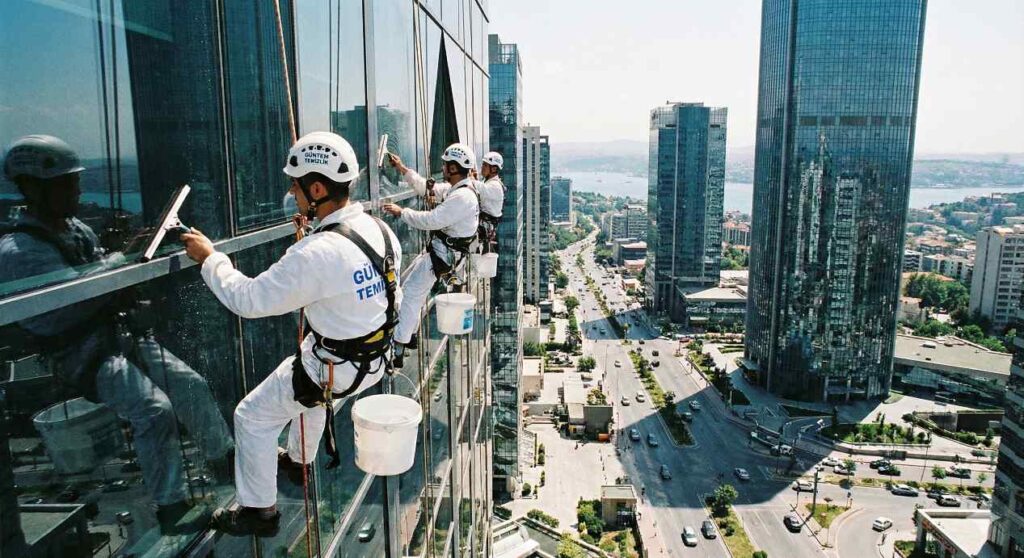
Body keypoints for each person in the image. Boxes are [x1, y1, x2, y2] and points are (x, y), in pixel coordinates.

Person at [0, 135, 234, 534]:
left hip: (114, 335)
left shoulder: (73, 230)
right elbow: (63, 307)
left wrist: (126, 261)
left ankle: (223, 457)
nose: (76, 191)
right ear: (32, 187)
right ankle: (170, 505)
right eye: (66, 184)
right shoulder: (19, 251)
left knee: (189, 384)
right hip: (78, 350)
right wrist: (121, 260)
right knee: (154, 409)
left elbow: (96, 280)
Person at [181, 131, 402, 536]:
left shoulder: (316, 253)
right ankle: (299, 460)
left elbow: (248, 300)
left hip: (334, 368)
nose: (291, 191)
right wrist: (311, 241)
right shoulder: (380, 232)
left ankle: (258, 511)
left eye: (296, 185)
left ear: (317, 188)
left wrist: (211, 259)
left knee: (251, 417)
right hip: (370, 364)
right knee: (313, 398)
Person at [381, 143, 479, 367]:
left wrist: (402, 212)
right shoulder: (460, 190)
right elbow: (427, 187)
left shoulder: (462, 197)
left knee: (410, 295)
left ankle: (398, 345)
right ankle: (409, 335)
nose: (443, 168)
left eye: (446, 165)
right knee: (412, 292)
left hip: (442, 256)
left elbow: (431, 220)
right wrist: (402, 168)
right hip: (442, 254)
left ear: (453, 168)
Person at [475, 151, 505, 253]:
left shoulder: (495, 186)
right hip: (484, 225)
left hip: (485, 226)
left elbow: (481, 189)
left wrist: (469, 179)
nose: (482, 167)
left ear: (494, 168)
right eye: (483, 164)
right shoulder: (489, 183)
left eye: (485, 165)